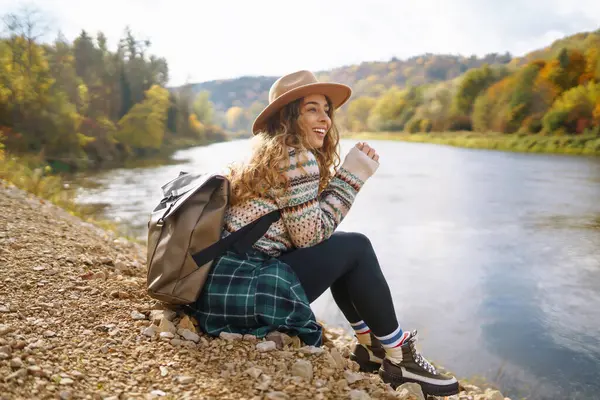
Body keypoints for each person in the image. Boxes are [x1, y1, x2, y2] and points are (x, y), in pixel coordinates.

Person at [190, 70, 459, 396]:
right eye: (312, 109)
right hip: (245, 290)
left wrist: (341, 183)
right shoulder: (296, 157)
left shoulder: (271, 154)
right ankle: (399, 354)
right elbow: (310, 237)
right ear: (288, 117)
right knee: (356, 248)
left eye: (327, 110)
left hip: (221, 288)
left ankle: (370, 346)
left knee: (344, 250)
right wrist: (353, 176)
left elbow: (308, 229)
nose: (325, 119)